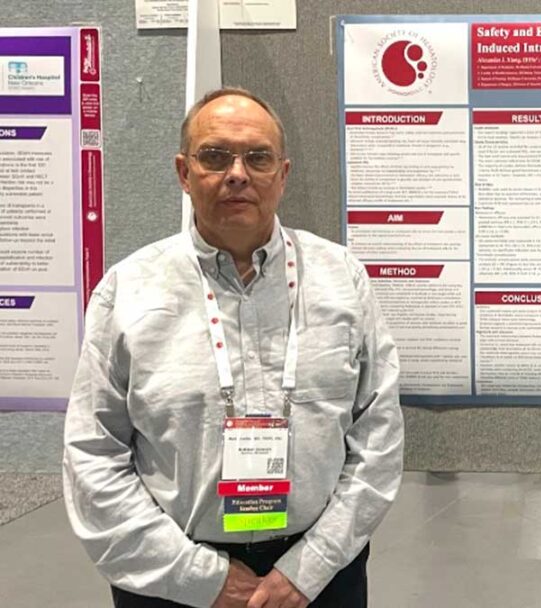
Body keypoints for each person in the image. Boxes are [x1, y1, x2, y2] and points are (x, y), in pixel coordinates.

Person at [62, 87, 404, 608]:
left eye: (258, 157)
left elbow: (378, 439)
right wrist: (198, 576)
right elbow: (93, 454)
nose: (238, 173)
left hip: (321, 577)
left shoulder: (342, 279)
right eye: (215, 156)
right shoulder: (127, 290)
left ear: (283, 175)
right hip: (171, 578)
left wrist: (307, 570)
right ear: (184, 172)